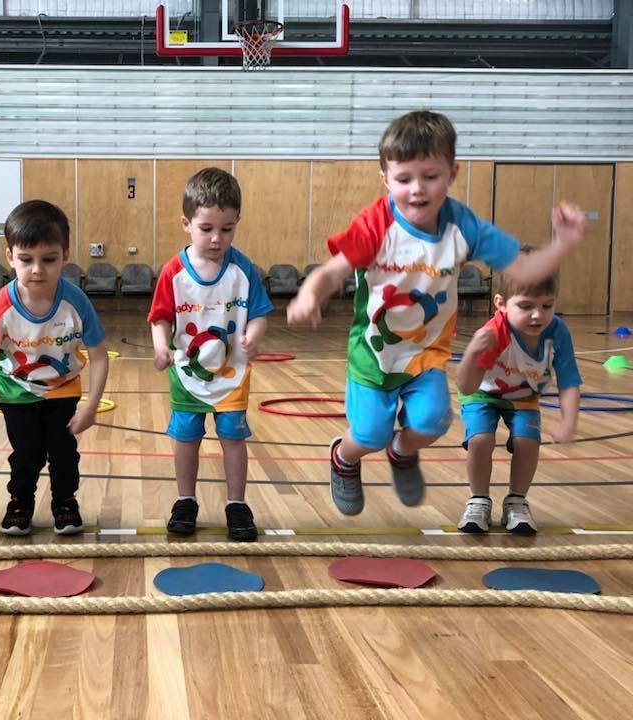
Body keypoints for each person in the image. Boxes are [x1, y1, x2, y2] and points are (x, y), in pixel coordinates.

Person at [287, 109, 587, 516]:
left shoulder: (463, 227)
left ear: (452, 173)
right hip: (373, 356)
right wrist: (310, 294)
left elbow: (524, 270)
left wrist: (563, 244)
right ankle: (344, 457)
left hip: (425, 356)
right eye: (404, 179)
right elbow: (333, 269)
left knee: (431, 424)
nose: (417, 190)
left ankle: (402, 451)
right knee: (369, 434)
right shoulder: (376, 224)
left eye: (430, 176)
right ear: (385, 179)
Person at [0, 200, 108, 536]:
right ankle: (20, 501)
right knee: (26, 453)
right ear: (10, 257)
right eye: (26, 260)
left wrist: (91, 405)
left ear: (65, 255)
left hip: (63, 388)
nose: (37, 269)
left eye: (49, 259)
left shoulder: (76, 302)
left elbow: (99, 355)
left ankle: (64, 501)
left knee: (63, 453)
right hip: (17, 392)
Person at [148, 167, 272, 541]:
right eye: (207, 229)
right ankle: (185, 499)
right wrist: (159, 347)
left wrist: (253, 336)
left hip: (231, 375)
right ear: (187, 224)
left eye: (227, 229)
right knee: (186, 438)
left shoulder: (243, 269)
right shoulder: (174, 272)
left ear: (237, 223)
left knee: (233, 437)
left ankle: (237, 503)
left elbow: (261, 312)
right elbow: (160, 317)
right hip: (188, 375)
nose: (217, 239)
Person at [455, 247, 581, 534]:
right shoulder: (494, 332)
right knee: (480, 440)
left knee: (527, 443)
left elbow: (569, 381)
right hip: (483, 392)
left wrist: (568, 422)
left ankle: (516, 501)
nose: (538, 315)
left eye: (547, 305)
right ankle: (478, 500)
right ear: (501, 303)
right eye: (526, 306)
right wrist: (471, 355)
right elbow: (465, 385)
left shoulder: (557, 332)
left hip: (524, 395)